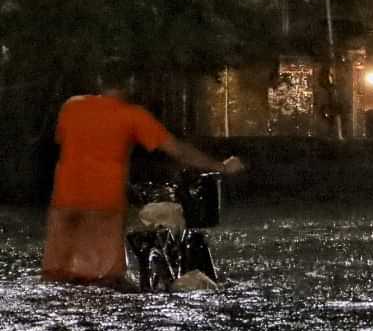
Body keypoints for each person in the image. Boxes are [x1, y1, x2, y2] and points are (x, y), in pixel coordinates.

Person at [43, 71, 245, 286]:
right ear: (131, 83)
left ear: (100, 81)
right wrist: (221, 166)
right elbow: (178, 151)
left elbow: (62, 139)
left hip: (63, 202)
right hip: (104, 204)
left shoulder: (71, 106)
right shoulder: (133, 115)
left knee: (56, 275)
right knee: (107, 279)